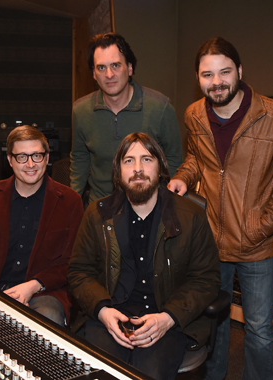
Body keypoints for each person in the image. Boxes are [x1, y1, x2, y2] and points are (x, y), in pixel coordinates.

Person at [168, 37, 273, 380]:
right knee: (214, 323)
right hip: (211, 240)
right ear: (198, 78)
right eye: (207, 75)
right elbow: (196, 160)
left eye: (224, 72)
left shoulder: (272, 116)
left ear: (239, 71)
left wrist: (265, 223)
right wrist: (183, 178)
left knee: (258, 330)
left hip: (258, 243)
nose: (216, 82)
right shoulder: (194, 115)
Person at [68, 132, 221, 380]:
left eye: (146, 159)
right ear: (118, 172)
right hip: (111, 314)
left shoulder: (191, 216)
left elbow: (207, 279)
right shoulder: (97, 215)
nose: (138, 169)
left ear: (160, 167)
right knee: (100, 375)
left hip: (166, 318)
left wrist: (169, 317)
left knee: (147, 375)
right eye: (129, 161)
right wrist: (102, 310)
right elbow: (79, 272)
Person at [0, 125, 84, 325]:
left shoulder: (70, 201)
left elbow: (72, 262)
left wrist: (34, 286)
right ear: (10, 160)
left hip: (43, 291)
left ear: (47, 158)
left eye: (37, 156)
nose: (30, 164)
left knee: (46, 320)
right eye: (22, 157)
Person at [70, 32, 182, 204]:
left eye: (115, 65)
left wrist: (168, 203)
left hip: (149, 206)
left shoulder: (161, 107)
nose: (109, 74)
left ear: (129, 68)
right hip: (100, 206)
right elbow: (80, 159)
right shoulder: (81, 110)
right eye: (101, 67)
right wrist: (72, 204)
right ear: (93, 74)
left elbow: (173, 159)